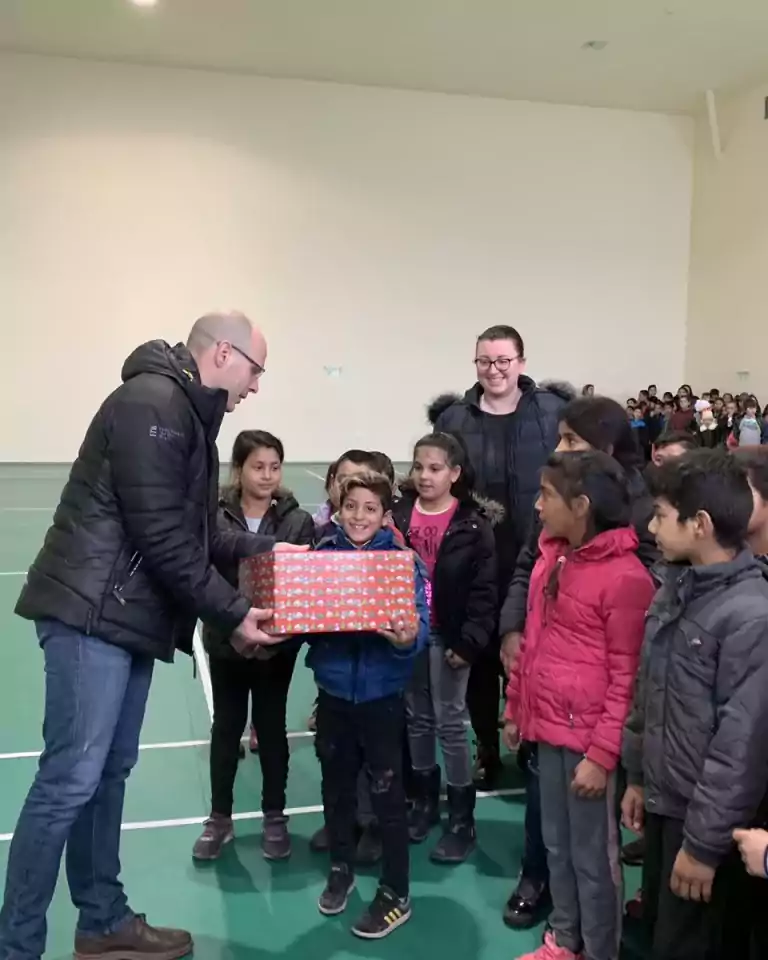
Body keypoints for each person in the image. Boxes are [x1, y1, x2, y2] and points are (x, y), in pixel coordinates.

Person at [0, 312, 307, 960]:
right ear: (224, 353)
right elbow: (164, 540)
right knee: (69, 780)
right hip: (92, 616)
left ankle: (102, 920)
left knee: (106, 774)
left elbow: (203, 535)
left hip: (124, 619)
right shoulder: (154, 404)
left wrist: (293, 550)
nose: (256, 387)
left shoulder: (187, 413)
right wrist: (233, 612)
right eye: (256, 370)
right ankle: (18, 944)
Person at [498, 394, 657, 931]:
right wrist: (518, 707)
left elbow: (626, 675)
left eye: (547, 496)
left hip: (590, 741)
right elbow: (536, 646)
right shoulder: (551, 558)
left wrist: (604, 752)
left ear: (583, 503)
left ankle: (596, 945)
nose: (538, 507)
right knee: (557, 846)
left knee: (593, 858)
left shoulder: (627, 576)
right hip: (548, 729)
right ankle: (564, 938)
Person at [621, 450, 768, 960]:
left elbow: (740, 749)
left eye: (661, 514)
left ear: (700, 524)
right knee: (660, 932)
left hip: (704, 823)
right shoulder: (675, 585)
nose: (650, 524)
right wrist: (637, 775)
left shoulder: (750, 615)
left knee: (690, 946)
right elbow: (649, 688)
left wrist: (703, 847)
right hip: (665, 805)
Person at [429, 324, 571, 789]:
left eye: (503, 361)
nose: (494, 370)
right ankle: (487, 748)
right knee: (480, 655)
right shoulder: (455, 419)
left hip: (537, 552)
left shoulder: (551, 412)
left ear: (521, 364)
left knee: (534, 654)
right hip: (476, 556)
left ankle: (532, 742)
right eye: (485, 362)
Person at [309, 472, 429, 939]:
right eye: (351, 506)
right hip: (335, 696)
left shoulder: (402, 563)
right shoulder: (320, 558)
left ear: (385, 515)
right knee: (336, 789)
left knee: (388, 797)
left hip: (382, 701)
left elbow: (418, 628)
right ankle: (341, 867)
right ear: (339, 509)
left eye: (370, 509)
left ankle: (396, 891)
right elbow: (303, 621)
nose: (359, 516)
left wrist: (406, 640)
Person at [192, 430, 314, 863]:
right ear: (238, 470)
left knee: (272, 726)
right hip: (227, 643)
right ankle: (219, 819)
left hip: (275, 648)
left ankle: (274, 816)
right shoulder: (216, 516)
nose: (267, 475)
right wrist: (232, 626)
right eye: (257, 466)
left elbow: (302, 582)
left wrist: (277, 636)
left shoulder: (297, 520)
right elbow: (204, 574)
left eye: (274, 467)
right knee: (226, 729)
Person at [393, 433, 498, 864]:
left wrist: (470, 641)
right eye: (419, 467)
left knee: (451, 721)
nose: (425, 476)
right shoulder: (399, 516)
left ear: (454, 474)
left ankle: (461, 818)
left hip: (449, 635)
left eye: (435, 468)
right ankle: (423, 801)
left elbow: (484, 590)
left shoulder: (473, 525)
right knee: (417, 716)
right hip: (409, 632)